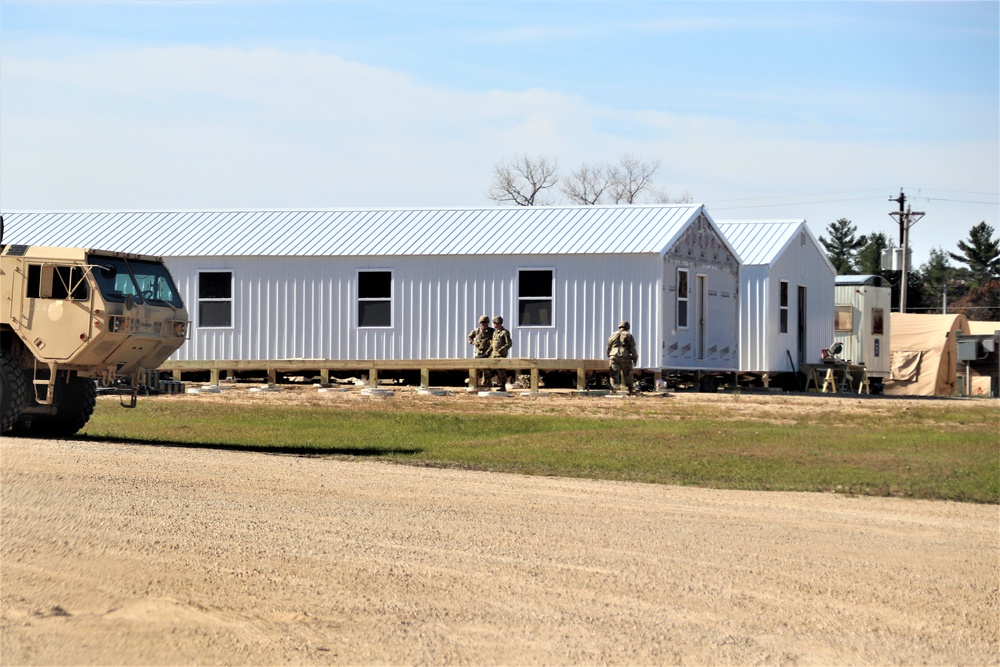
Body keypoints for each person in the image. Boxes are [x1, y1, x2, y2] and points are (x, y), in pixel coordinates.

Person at [607, 320, 638, 395]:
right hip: (625, 357)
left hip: (613, 356)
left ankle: (613, 390)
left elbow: (609, 347)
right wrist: (635, 359)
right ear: (627, 328)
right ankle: (630, 390)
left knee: (614, 374)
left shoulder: (613, 335)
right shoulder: (629, 336)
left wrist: (609, 355)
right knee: (628, 374)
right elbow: (632, 349)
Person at [467, 315, 494, 387]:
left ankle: (487, 384)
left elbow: (495, 340)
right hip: (478, 353)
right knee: (476, 369)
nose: (484, 324)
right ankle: (474, 384)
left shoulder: (492, 331)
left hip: (488, 353)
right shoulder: (476, 331)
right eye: (482, 323)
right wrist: (473, 342)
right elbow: (469, 337)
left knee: (487, 369)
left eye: (486, 323)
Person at [488, 315, 513, 389]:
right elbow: (493, 343)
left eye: (496, 323)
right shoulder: (495, 332)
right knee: (487, 368)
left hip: (500, 355)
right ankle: (487, 383)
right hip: (493, 354)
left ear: (500, 323)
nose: (495, 325)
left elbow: (509, 343)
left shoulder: (505, 332)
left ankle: (503, 386)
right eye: (494, 323)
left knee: (501, 370)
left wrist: (502, 349)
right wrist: (488, 351)